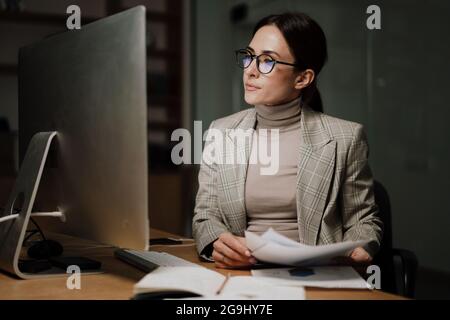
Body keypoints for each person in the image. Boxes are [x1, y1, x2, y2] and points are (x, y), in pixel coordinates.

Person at [193, 12, 383, 269]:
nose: (250, 70)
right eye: (249, 56)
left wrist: (361, 246)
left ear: (302, 78)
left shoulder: (345, 138)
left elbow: (363, 221)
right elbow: (206, 215)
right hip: (242, 274)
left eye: (267, 61)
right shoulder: (221, 132)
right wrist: (219, 243)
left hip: (317, 276)